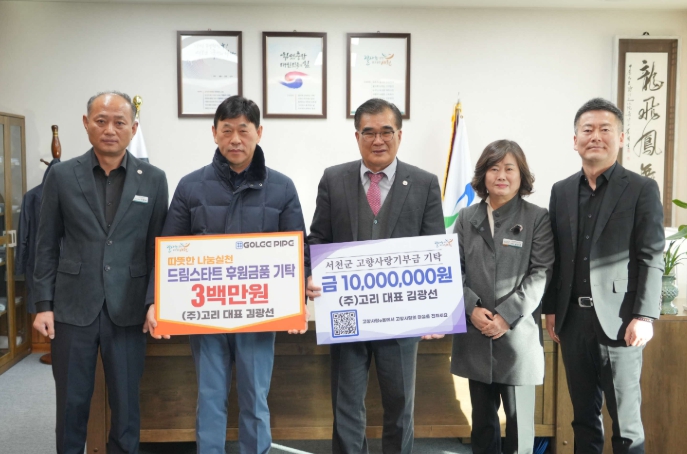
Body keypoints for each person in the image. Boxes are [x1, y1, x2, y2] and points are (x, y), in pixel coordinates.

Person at [144, 95, 310, 454]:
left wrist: (297, 302)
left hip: (260, 315)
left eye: (244, 131)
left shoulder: (282, 187)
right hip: (205, 315)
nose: (235, 139)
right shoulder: (190, 186)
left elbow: (299, 251)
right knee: (210, 396)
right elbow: (167, 249)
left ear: (259, 132)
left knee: (255, 398)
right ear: (214, 133)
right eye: (227, 130)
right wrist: (155, 300)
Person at [32, 91, 169, 454]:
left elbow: (158, 248)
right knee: (71, 403)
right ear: (86, 124)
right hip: (72, 307)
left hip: (129, 307)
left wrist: (155, 300)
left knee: (126, 405)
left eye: (120, 122)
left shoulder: (153, 179)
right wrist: (43, 304)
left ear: (133, 128)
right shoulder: (62, 175)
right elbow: (46, 243)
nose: (110, 129)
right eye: (101, 121)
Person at [307, 98, 445, 454]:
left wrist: (438, 309)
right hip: (346, 312)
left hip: (402, 317)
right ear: (357, 136)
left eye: (386, 131)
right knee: (346, 405)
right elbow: (318, 238)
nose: (378, 140)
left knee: (400, 406)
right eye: (369, 132)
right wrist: (310, 274)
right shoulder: (334, 179)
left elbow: (435, 249)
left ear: (399, 134)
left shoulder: (424, 183)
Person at [543, 98, 664, 454]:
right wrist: (551, 309)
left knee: (626, 424)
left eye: (605, 129)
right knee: (583, 419)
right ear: (575, 140)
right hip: (572, 321)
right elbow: (555, 256)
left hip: (622, 321)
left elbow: (651, 255)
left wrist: (645, 316)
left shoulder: (641, 188)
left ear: (621, 138)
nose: (595, 136)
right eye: (588, 129)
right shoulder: (561, 190)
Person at [451, 140, 554, 454]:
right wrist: (471, 308)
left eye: (509, 168)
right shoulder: (466, 218)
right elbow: (453, 271)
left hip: (518, 338)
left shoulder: (537, 217)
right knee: (482, 424)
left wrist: (506, 317)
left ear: (521, 175)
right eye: (494, 168)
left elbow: (541, 273)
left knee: (520, 425)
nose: (501, 176)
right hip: (476, 334)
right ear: (483, 175)